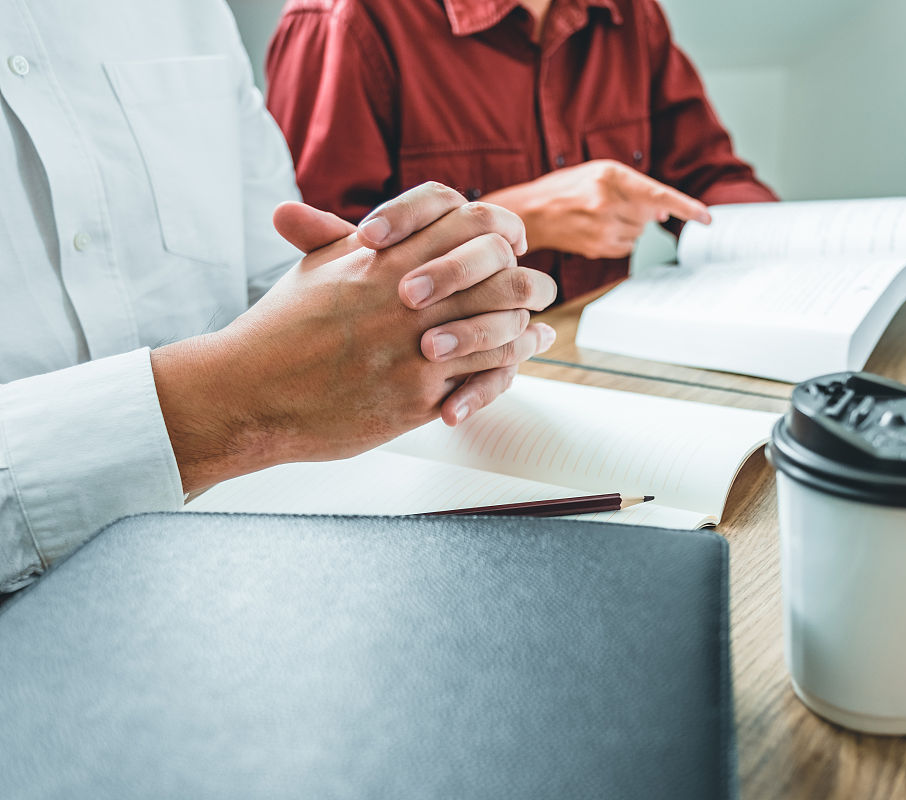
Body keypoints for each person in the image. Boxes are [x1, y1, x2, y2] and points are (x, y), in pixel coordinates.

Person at [0, 0, 557, 592]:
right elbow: (269, 366)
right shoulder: (347, 21)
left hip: (245, 560)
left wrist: (412, 316)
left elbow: (279, 281)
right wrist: (227, 400)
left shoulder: (190, 13)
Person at [265, 0, 779, 302]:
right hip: (427, 405)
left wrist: (792, 244)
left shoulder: (631, 13)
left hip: (599, 365)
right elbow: (316, 286)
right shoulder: (343, 22)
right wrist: (523, 217)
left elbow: (707, 176)